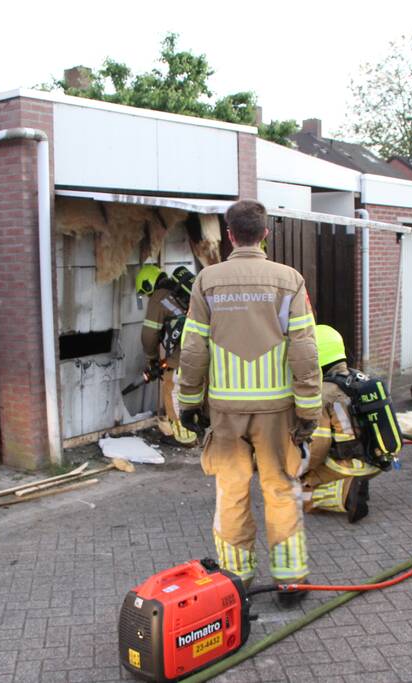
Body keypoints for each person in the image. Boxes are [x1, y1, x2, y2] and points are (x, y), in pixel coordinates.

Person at [177, 200, 321, 607]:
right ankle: (290, 583)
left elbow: (193, 349)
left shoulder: (207, 280)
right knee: (281, 489)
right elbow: (305, 351)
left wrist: (188, 402)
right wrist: (308, 408)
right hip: (277, 411)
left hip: (224, 413)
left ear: (228, 234)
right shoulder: (288, 280)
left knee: (231, 492)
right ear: (265, 235)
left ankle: (236, 581)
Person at [301, 325, 377, 523]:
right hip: (377, 458)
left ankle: (347, 494)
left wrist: (298, 470)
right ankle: (356, 482)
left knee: (298, 493)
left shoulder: (324, 394)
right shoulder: (359, 377)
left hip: (349, 463)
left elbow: (318, 447)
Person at [136, 264, 196, 446]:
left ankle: (184, 437)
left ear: (148, 286)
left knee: (171, 389)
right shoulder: (178, 295)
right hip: (200, 349)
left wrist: (151, 359)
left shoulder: (159, 297)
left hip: (182, 354)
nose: (147, 297)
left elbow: (149, 334)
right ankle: (198, 429)